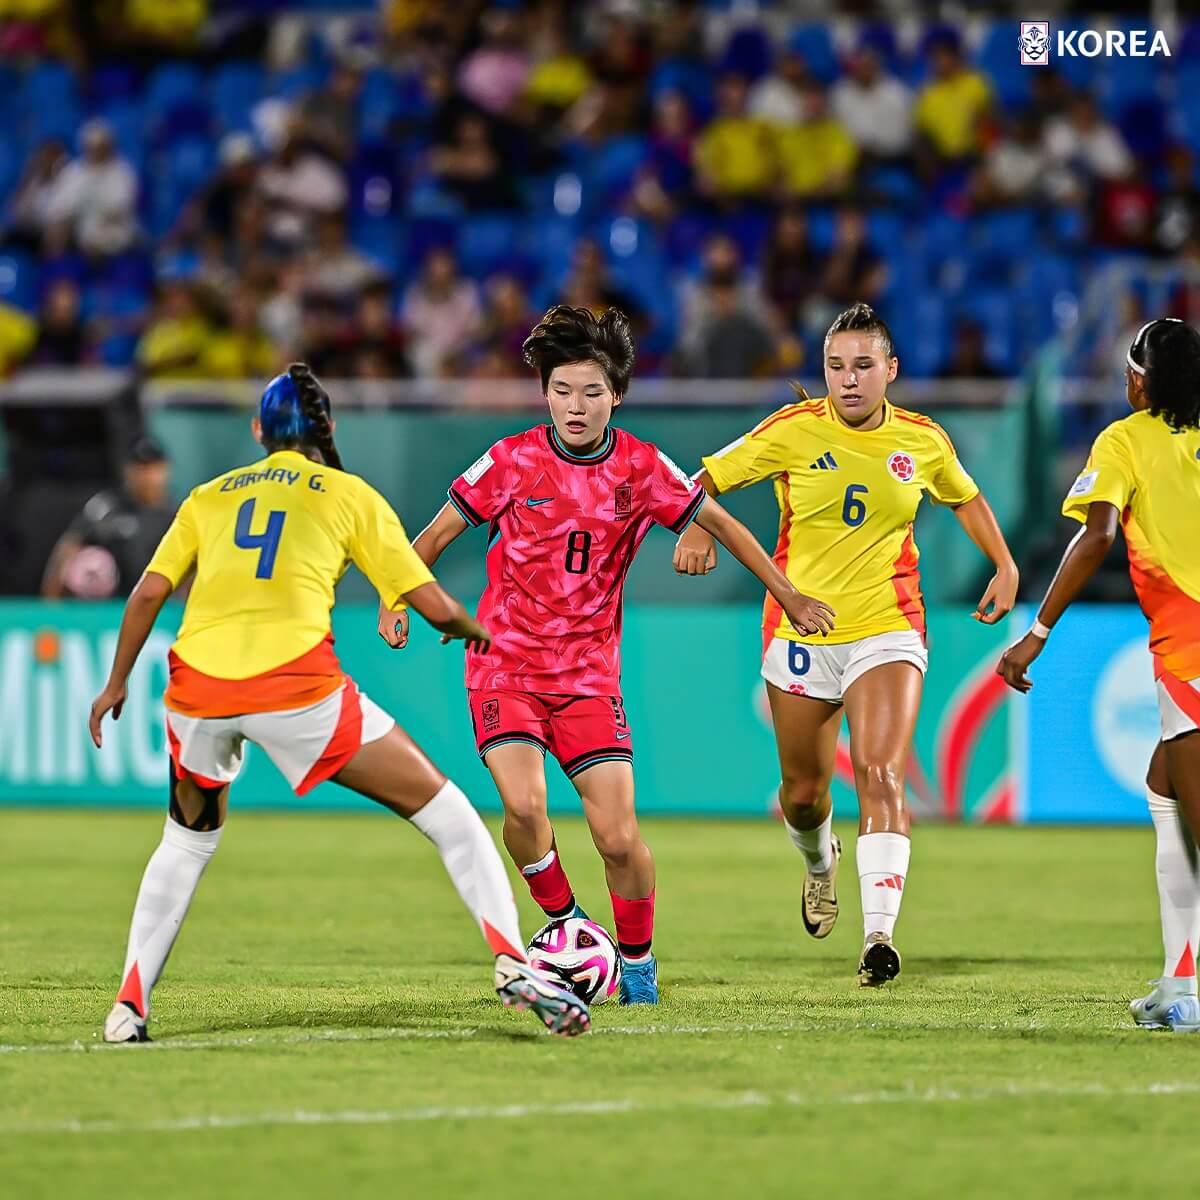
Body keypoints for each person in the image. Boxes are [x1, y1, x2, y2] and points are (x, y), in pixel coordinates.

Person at [88, 366, 591, 1043]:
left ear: (258, 430)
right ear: (329, 430)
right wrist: (468, 628)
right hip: (295, 686)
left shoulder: (208, 496)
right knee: (451, 816)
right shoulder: (349, 494)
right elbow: (426, 597)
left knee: (185, 842)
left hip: (198, 686)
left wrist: (116, 682)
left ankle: (128, 1008)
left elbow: (148, 593)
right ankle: (510, 962)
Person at [378, 305, 833, 1005]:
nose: (576, 406)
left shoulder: (642, 468)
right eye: (562, 391)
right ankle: (567, 924)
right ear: (545, 394)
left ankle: (639, 968)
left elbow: (722, 523)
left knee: (618, 840)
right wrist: (394, 596)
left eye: (591, 392)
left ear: (616, 394)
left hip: (589, 676)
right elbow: (434, 536)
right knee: (524, 809)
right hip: (505, 663)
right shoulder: (511, 459)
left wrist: (790, 594)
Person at [674, 302, 1017, 985]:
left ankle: (878, 939)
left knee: (880, 772)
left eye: (863, 366)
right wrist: (696, 527)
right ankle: (818, 862)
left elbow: (964, 498)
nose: (849, 380)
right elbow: (705, 478)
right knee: (803, 793)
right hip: (801, 628)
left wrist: (1004, 565)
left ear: (891, 370)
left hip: (888, 624)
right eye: (836, 366)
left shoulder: (922, 441)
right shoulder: (792, 431)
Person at [998, 318, 1200, 1033]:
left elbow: (1099, 533)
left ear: (1141, 378)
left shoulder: (1125, 439)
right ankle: (1181, 978)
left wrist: (1037, 634)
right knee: (1163, 789)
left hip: (1189, 652)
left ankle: (1188, 990)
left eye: (1128, 369)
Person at [42, 435, 177, 600]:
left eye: (152, 467)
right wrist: (50, 602)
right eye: (139, 467)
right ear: (127, 470)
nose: (146, 475)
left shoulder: (177, 516)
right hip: (107, 609)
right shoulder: (107, 506)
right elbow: (69, 546)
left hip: (160, 608)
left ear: (166, 470)